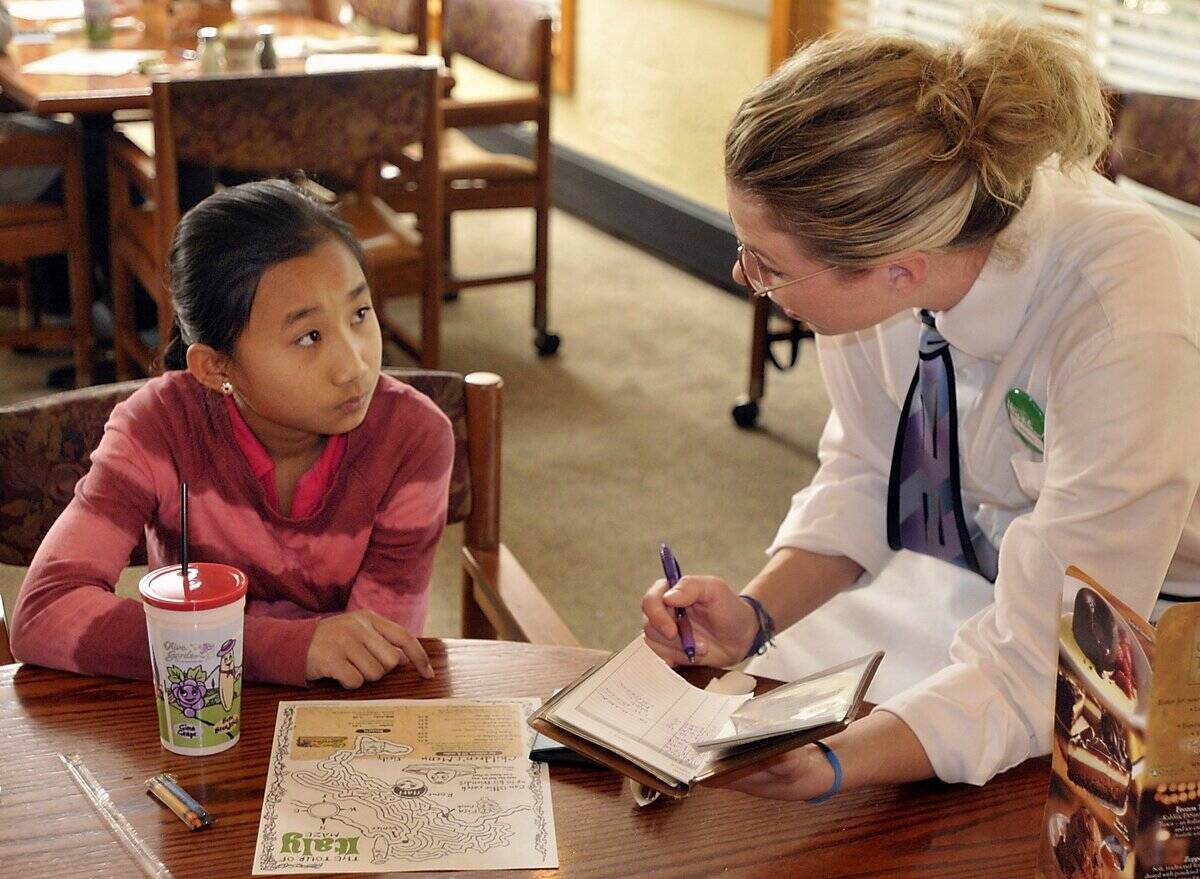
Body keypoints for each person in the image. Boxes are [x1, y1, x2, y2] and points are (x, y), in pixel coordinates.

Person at [642, 20, 1200, 801]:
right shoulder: (898, 241)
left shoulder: (1120, 309)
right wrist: (756, 613)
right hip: (995, 566)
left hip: (1164, 614)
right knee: (768, 709)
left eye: (767, 267)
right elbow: (873, 467)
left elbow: (1059, 659)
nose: (745, 276)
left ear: (899, 271)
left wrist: (834, 765)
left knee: (1036, 825)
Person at [11, 180, 455, 689]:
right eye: (309, 336)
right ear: (216, 367)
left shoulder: (413, 439)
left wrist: (208, 643)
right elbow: (44, 613)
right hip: (196, 720)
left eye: (360, 313)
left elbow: (371, 659)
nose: (354, 365)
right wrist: (283, 648)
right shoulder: (158, 429)